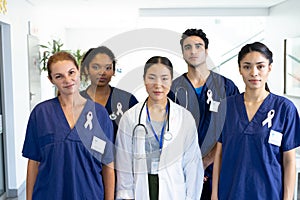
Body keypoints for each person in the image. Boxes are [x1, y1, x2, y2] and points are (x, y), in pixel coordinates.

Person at [212, 42, 300, 200]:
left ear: (269, 68)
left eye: (260, 66)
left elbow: (289, 161)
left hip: (270, 194)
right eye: (247, 67)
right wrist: (214, 194)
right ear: (240, 69)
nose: (254, 73)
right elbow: (219, 154)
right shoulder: (226, 107)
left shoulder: (285, 109)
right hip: (231, 193)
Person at [22, 51, 115, 200]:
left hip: (89, 194)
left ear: (78, 71)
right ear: (51, 80)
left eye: (71, 72)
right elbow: (33, 163)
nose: (67, 80)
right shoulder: (41, 114)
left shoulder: (99, 114)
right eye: (59, 76)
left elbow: (108, 166)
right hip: (49, 195)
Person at [115, 56, 204, 200]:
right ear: (144, 79)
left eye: (164, 78)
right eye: (152, 78)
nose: (158, 84)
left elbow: (192, 165)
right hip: (142, 188)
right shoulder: (130, 118)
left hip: (174, 190)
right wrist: (126, 196)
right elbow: (124, 163)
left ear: (171, 80)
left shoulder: (184, 118)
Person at [168, 28, 239, 199]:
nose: (193, 51)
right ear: (182, 53)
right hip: (181, 169)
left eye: (198, 46)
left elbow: (233, 130)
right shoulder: (173, 89)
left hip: (217, 168)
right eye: (188, 47)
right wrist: (190, 166)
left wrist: (205, 161)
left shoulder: (226, 87)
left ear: (206, 51)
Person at [80, 46, 138, 142]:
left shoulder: (127, 100)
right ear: (86, 69)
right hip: (83, 156)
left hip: (120, 156)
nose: (102, 72)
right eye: (96, 67)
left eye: (108, 68)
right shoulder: (76, 101)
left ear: (114, 71)